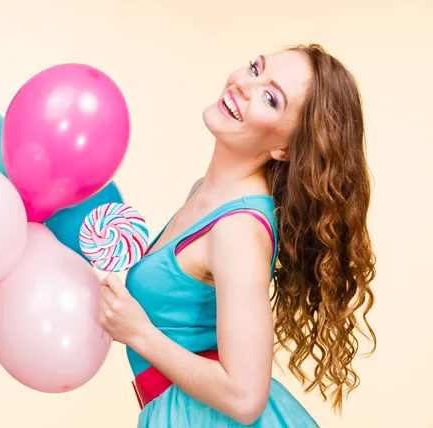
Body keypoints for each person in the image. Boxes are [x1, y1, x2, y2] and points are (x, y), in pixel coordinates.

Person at [98, 43, 377, 427]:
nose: (245, 85)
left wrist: (139, 333)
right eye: (254, 68)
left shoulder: (237, 229)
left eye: (270, 98)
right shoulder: (205, 192)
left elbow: (245, 397)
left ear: (285, 147)